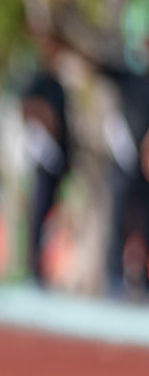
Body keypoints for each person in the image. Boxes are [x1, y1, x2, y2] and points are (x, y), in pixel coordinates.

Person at [54, 28, 149, 297]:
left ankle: (141, 280)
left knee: (146, 226)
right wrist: (68, 44)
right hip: (124, 165)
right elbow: (97, 66)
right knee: (118, 219)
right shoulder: (129, 78)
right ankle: (114, 279)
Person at [19, 31, 72, 286]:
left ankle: (44, 265)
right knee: (38, 210)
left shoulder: (59, 84)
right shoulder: (36, 81)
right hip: (43, 157)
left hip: (59, 158)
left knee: (52, 214)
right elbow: (27, 110)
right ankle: (33, 267)